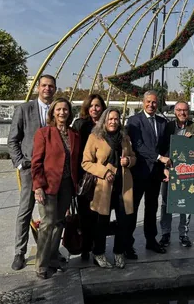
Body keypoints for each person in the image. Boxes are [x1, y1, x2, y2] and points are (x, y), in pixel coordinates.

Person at [8, 74, 56, 271]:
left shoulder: (58, 110)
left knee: (51, 213)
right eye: (44, 85)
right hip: (29, 168)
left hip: (52, 170)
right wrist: (20, 163)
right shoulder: (24, 109)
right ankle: (20, 252)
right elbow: (13, 140)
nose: (47, 89)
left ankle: (51, 251)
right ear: (38, 87)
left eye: (51, 86)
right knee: (25, 210)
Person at [81, 107, 136, 268]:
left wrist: (129, 161)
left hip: (123, 185)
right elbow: (86, 162)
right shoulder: (95, 137)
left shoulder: (124, 138)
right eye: (110, 119)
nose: (113, 122)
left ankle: (119, 252)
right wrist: (104, 172)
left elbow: (133, 156)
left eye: (116, 119)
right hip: (103, 186)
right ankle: (98, 253)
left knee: (123, 221)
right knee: (101, 222)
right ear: (104, 120)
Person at [31, 98, 79, 279]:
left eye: (65, 109)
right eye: (58, 109)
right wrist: (38, 187)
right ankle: (41, 264)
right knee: (47, 224)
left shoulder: (74, 134)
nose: (62, 113)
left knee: (59, 222)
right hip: (48, 185)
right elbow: (36, 162)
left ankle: (52, 257)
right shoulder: (44, 133)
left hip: (67, 185)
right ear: (52, 112)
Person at [125, 90, 170, 259]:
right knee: (133, 209)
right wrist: (159, 158)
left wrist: (165, 165)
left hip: (155, 174)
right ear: (143, 102)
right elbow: (138, 146)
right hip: (139, 172)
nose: (151, 105)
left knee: (152, 208)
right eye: (148, 102)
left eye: (154, 102)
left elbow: (165, 145)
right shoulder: (134, 121)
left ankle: (151, 240)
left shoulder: (162, 122)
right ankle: (128, 245)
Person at [159, 101, 194, 248]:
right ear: (175, 111)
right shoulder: (168, 126)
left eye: (185, 110)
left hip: (187, 171)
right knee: (166, 203)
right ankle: (165, 233)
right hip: (169, 169)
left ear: (188, 111)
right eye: (179, 110)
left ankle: (184, 234)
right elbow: (163, 147)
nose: (182, 113)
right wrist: (164, 167)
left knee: (186, 203)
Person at [71, 94, 106, 261]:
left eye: (98, 105)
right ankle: (85, 247)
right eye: (91, 105)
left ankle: (97, 246)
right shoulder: (80, 125)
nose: (94, 108)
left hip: (102, 175)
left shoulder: (107, 125)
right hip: (84, 175)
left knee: (99, 213)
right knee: (85, 213)